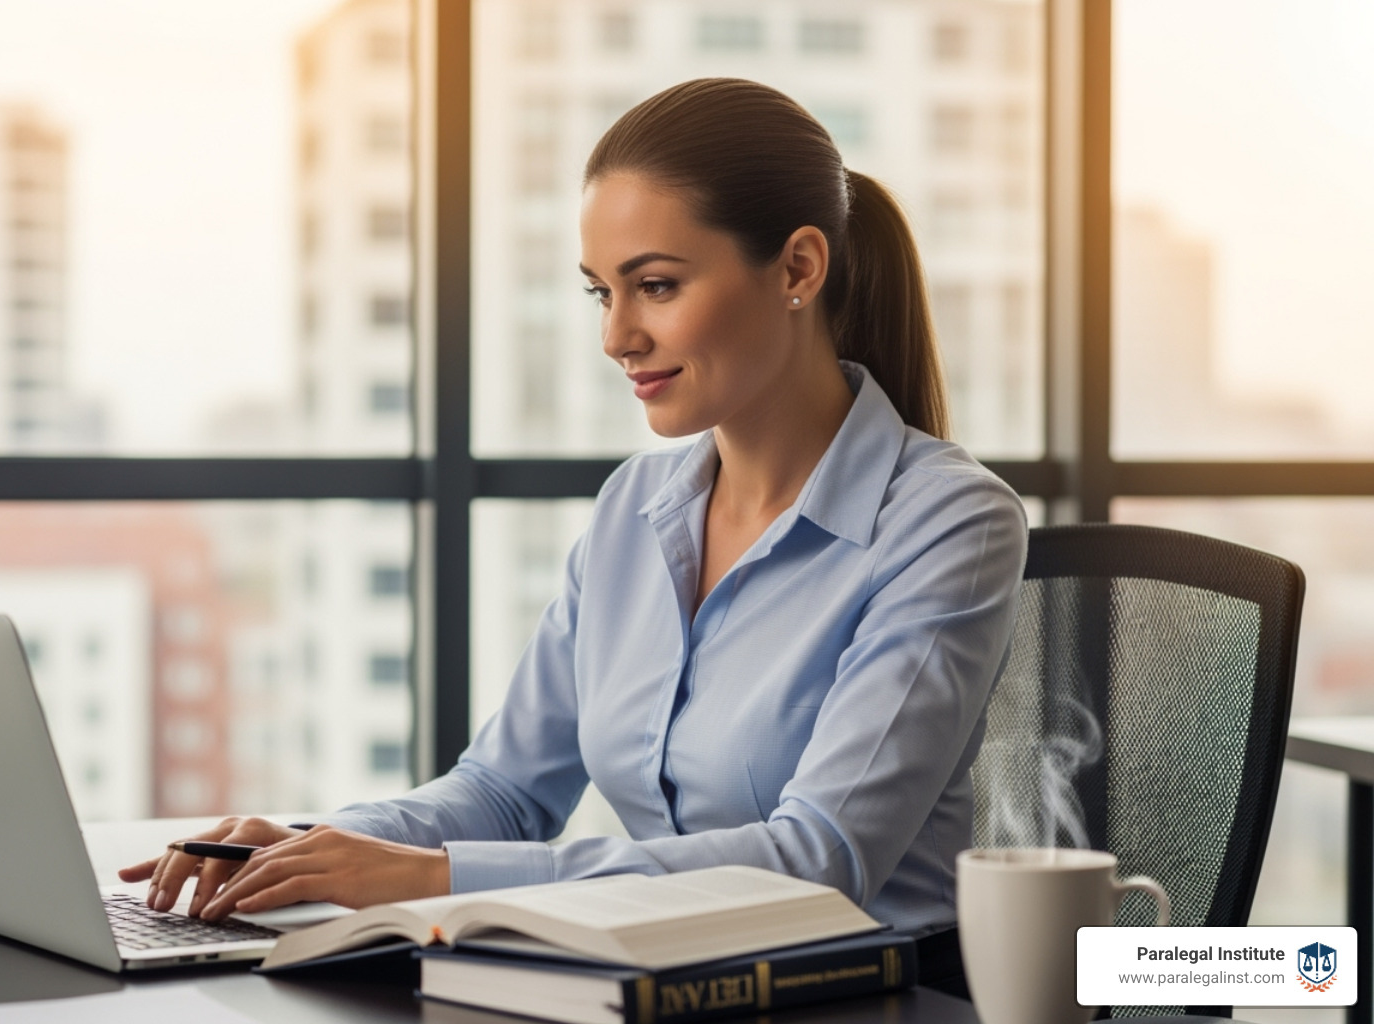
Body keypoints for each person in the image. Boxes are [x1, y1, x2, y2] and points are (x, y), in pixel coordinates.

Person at [121, 78, 1027, 935]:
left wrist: (430, 881)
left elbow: (818, 858)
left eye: (657, 286)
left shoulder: (946, 522)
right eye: (601, 291)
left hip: (880, 992)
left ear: (797, 267)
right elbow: (506, 791)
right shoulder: (635, 509)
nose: (616, 337)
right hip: (651, 978)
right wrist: (316, 845)